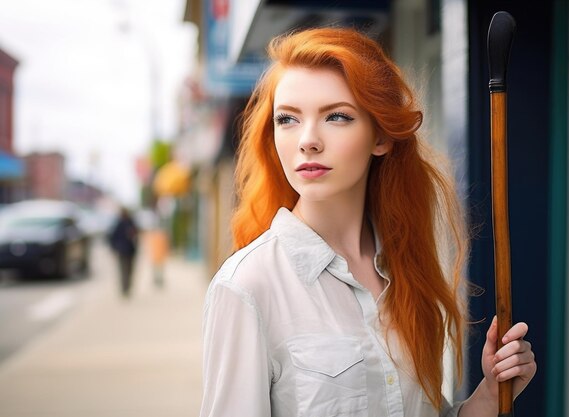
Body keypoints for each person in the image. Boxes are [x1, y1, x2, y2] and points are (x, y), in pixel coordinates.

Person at [200, 27, 536, 417]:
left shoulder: (406, 270)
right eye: (288, 119)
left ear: (381, 137)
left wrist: (490, 394)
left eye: (337, 116)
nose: (308, 140)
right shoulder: (246, 287)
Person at [108, 207, 139, 297]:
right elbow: (112, 238)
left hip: (130, 250)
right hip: (122, 251)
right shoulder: (119, 224)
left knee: (129, 270)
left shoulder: (131, 222)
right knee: (123, 270)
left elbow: (136, 234)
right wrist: (114, 248)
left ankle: (127, 286)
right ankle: (124, 288)